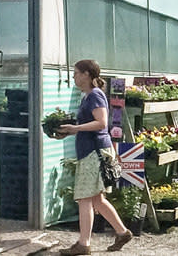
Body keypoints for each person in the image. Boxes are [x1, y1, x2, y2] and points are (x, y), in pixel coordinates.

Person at [57, 60, 132, 255]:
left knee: (84, 198)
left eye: (76, 73)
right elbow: (92, 125)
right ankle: (122, 232)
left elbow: (101, 123)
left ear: (87, 75)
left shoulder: (95, 96)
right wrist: (70, 131)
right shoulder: (88, 96)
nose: (73, 76)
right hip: (92, 151)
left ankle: (84, 244)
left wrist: (76, 129)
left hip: (94, 153)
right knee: (97, 199)